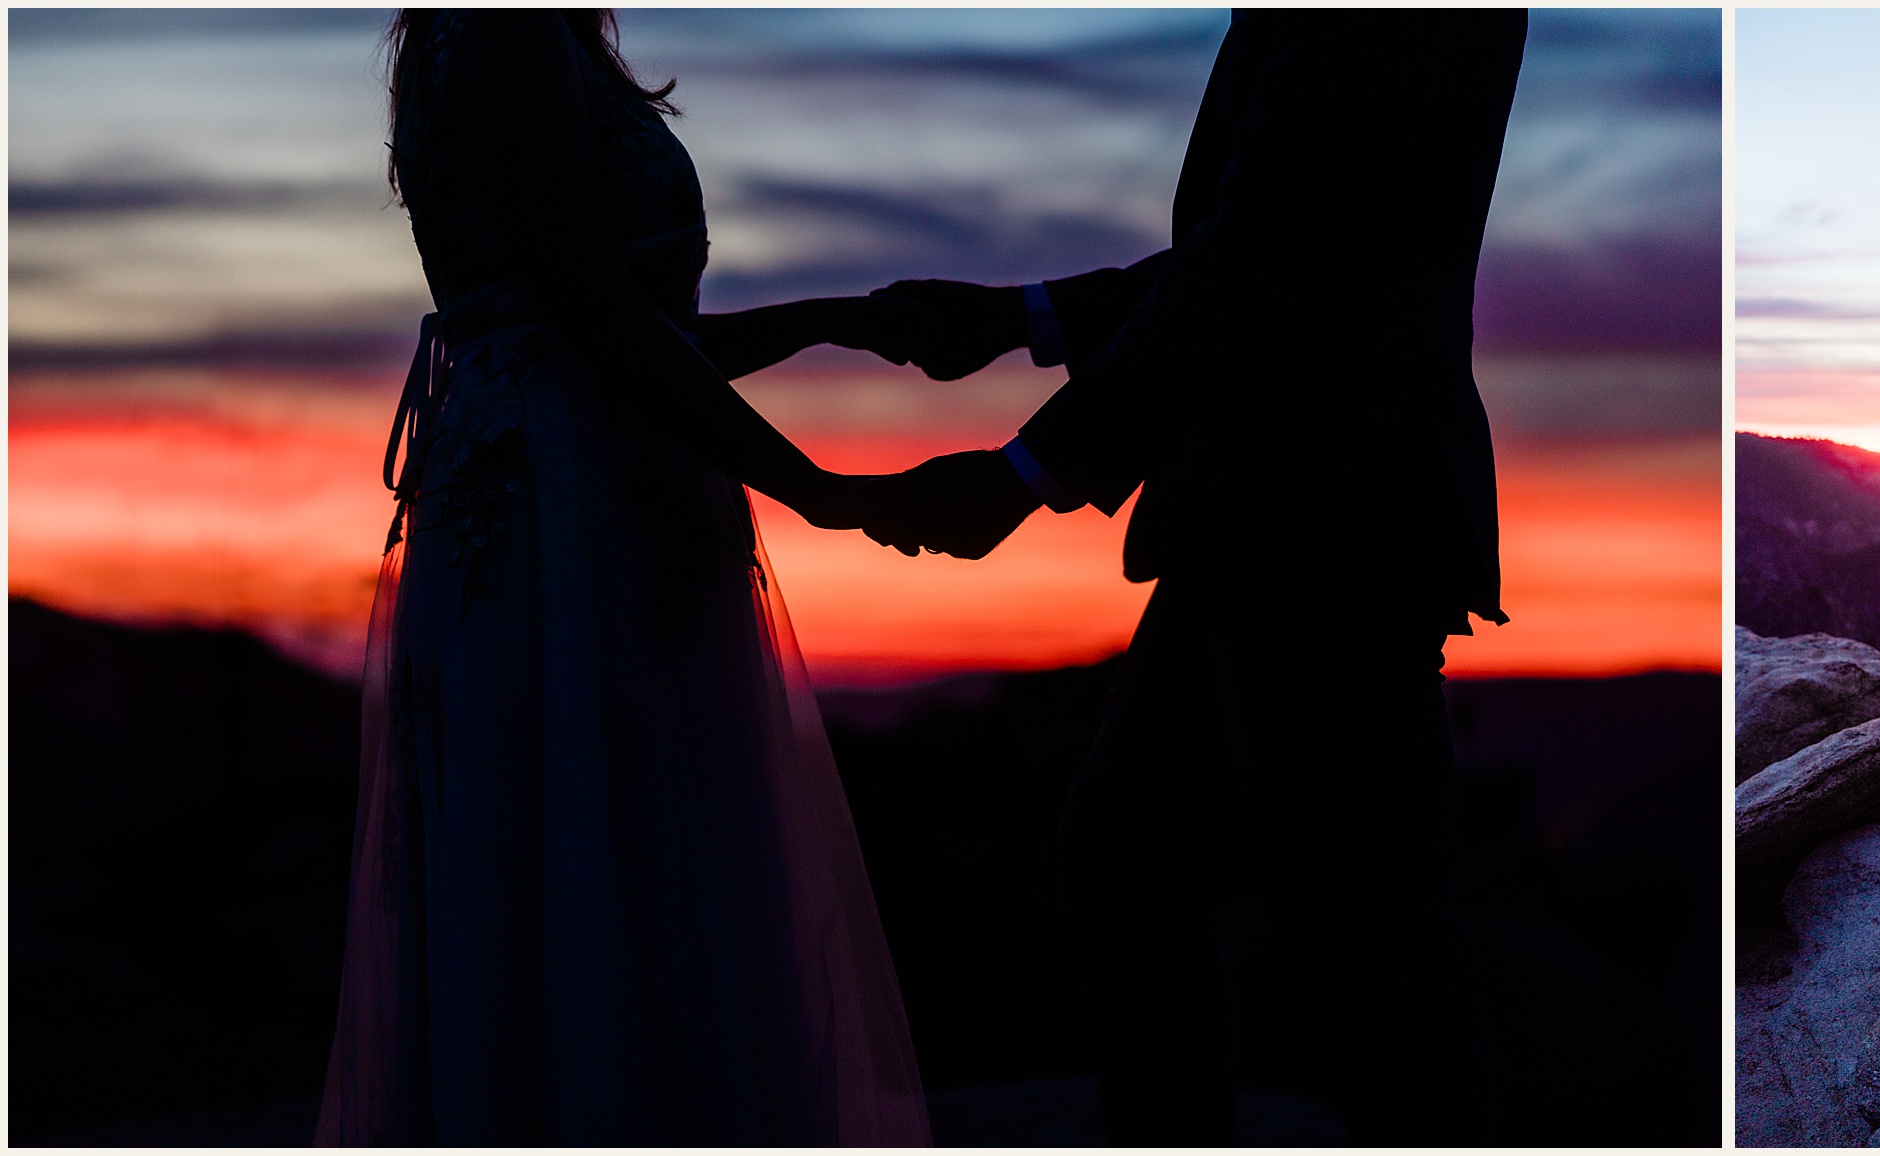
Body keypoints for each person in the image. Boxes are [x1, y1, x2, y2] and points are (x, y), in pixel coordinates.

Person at [853, 11, 1528, 1144]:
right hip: (1272, 513)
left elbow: (1274, 254)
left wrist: (1025, 473)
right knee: (1139, 868)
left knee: (1370, 953)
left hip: (1329, 519)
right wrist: (1020, 317)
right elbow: (1269, 225)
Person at [319, 11, 931, 1144]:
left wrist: (845, 320)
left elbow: (614, 319)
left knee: (649, 872)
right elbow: (595, 320)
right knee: (599, 864)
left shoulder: (532, 36)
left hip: (602, 481)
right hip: (566, 506)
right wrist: (824, 489)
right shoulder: (502, 35)